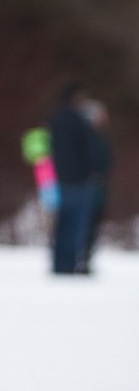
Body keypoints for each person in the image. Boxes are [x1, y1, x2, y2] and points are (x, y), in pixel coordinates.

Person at [46, 83, 103, 276]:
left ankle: (57, 262)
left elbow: (41, 148)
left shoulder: (54, 119)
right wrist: (93, 172)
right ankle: (69, 264)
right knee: (76, 225)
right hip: (79, 181)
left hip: (56, 180)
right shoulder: (81, 121)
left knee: (61, 223)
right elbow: (90, 152)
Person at [80, 98, 112, 274]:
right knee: (85, 224)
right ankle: (80, 259)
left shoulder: (100, 138)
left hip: (99, 187)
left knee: (93, 224)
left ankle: (86, 259)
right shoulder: (87, 138)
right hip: (89, 187)